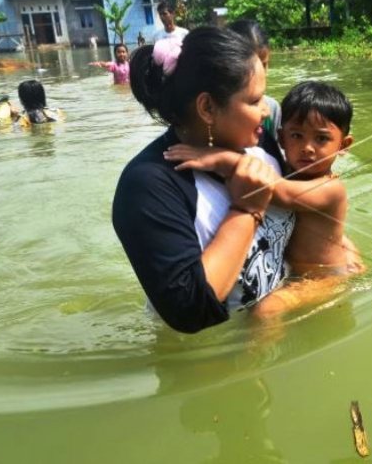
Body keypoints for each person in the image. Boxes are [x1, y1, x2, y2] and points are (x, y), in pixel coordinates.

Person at [112, 27, 294, 333]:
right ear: (207, 108)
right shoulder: (147, 185)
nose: (266, 112)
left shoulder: (257, 142)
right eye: (254, 101)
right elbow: (190, 312)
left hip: (274, 329)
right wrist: (246, 210)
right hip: (213, 358)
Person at [166, 80, 355, 278]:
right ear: (281, 138)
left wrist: (222, 159)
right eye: (297, 135)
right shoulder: (285, 168)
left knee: (266, 310)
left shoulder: (332, 189)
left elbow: (281, 192)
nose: (307, 147)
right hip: (293, 273)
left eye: (321, 138)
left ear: (344, 145)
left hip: (322, 278)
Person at [227, 19, 281, 141]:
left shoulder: (272, 108)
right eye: (250, 67)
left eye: (264, 64)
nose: (259, 72)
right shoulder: (220, 111)